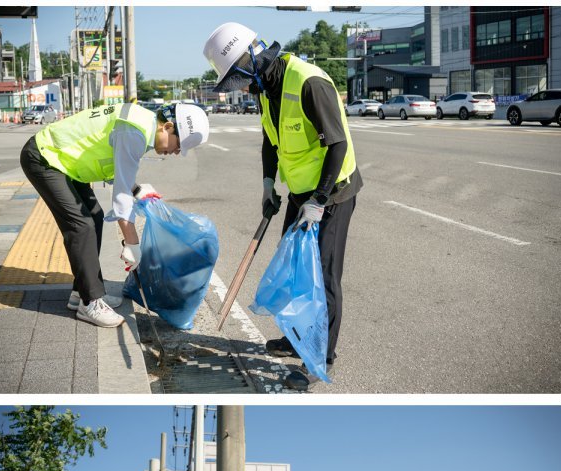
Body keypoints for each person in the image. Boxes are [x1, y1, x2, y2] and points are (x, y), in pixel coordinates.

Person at [202, 22, 363, 390]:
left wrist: (320, 200)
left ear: (251, 62)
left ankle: (321, 359)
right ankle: (296, 339)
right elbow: (269, 143)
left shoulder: (308, 82)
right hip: (301, 192)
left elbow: (337, 146)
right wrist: (266, 185)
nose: (239, 88)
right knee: (292, 269)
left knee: (322, 277)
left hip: (333, 190)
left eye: (238, 79)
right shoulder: (264, 90)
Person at [20, 101, 210, 328]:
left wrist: (138, 190)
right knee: (81, 225)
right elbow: (121, 196)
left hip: (65, 163)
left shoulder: (140, 125)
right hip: (45, 158)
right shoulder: (135, 132)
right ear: (167, 127)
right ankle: (90, 303)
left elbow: (119, 174)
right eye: (179, 145)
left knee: (94, 216)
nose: (177, 152)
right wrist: (133, 243)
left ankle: (81, 293)